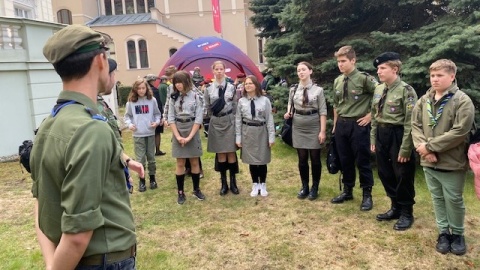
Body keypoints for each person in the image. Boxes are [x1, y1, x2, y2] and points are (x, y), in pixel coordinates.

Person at [30, 24, 136, 269]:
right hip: (104, 261)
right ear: (100, 60)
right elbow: (78, 235)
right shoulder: (92, 129)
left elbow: (43, 205)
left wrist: (51, 264)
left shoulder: (49, 124)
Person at [411, 59, 475, 255]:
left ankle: (457, 234)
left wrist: (430, 147)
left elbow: (460, 132)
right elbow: (415, 126)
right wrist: (424, 150)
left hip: (452, 162)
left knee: (453, 199)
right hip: (428, 160)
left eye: (440, 75)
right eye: (432, 75)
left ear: (452, 76)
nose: (435, 79)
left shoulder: (462, 100)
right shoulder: (424, 100)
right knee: (437, 198)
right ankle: (443, 233)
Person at [370, 52, 417, 231]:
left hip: (399, 135)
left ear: (395, 69)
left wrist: (405, 148)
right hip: (382, 135)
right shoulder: (378, 89)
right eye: (378, 69)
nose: (379, 72)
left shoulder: (406, 90)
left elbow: (410, 121)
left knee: (402, 174)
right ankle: (395, 207)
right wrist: (373, 138)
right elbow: (375, 116)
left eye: (382, 68)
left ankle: (406, 212)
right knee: (385, 172)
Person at [330, 45, 378, 211]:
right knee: (345, 160)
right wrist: (335, 125)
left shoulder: (364, 79)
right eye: (338, 61)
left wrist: (370, 116)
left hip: (358, 125)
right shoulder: (338, 80)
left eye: (343, 61)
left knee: (362, 160)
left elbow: (380, 95)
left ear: (353, 60)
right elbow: (336, 105)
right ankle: (347, 190)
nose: (340, 64)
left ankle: (367, 195)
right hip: (342, 125)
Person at [98, 59, 145, 194]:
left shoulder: (100, 102)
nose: (114, 78)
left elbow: (111, 143)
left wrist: (126, 161)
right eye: (112, 73)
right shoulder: (91, 107)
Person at [283, 62, 327, 200]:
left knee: (314, 158)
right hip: (298, 125)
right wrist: (287, 113)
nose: (301, 72)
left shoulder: (318, 90)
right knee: (302, 158)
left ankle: (315, 187)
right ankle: (305, 186)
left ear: (310, 71)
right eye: (298, 70)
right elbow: (290, 104)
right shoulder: (293, 89)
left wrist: (322, 131)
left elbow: (323, 111)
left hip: (313, 125)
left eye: (303, 70)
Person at [168, 70, 205, 204]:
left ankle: (196, 189)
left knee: (195, 162)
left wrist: (190, 137)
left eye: (180, 82)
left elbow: (199, 118)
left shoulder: (195, 97)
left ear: (187, 82)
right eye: (176, 82)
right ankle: (181, 192)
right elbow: (171, 118)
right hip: (178, 129)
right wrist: (177, 136)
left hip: (192, 130)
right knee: (180, 163)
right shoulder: (173, 97)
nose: (178, 85)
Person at [236, 75, 275, 197]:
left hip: (261, 131)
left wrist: (271, 136)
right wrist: (238, 137)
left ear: (256, 85)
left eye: (250, 83)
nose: (247, 85)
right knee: (252, 160)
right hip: (248, 131)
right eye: (246, 84)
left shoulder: (265, 100)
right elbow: (238, 120)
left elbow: (269, 119)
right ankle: (255, 184)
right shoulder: (241, 101)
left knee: (262, 159)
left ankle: (262, 183)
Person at [204, 60, 239, 195]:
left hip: (229, 121)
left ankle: (233, 182)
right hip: (216, 122)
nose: (219, 71)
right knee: (221, 153)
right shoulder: (208, 89)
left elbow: (235, 106)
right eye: (216, 69)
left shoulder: (231, 88)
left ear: (225, 71)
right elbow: (207, 107)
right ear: (213, 71)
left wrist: (236, 123)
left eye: (221, 69)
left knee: (231, 152)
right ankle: (223, 183)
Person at [124, 78, 162, 192]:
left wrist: (156, 122)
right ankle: (142, 180)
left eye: (143, 88)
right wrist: (130, 125)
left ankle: (152, 178)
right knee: (140, 158)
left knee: (151, 157)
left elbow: (157, 114)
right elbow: (127, 116)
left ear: (147, 88)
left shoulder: (152, 100)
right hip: (138, 135)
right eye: (139, 88)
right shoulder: (131, 102)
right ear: (135, 90)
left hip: (150, 133)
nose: (141, 90)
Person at [145, 74, 166, 156]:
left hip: (146, 114)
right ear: (152, 81)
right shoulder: (155, 90)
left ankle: (148, 151)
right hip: (155, 114)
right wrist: (161, 116)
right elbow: (158, 104)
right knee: (157, 133)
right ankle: (157, 150)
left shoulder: (144, 90)